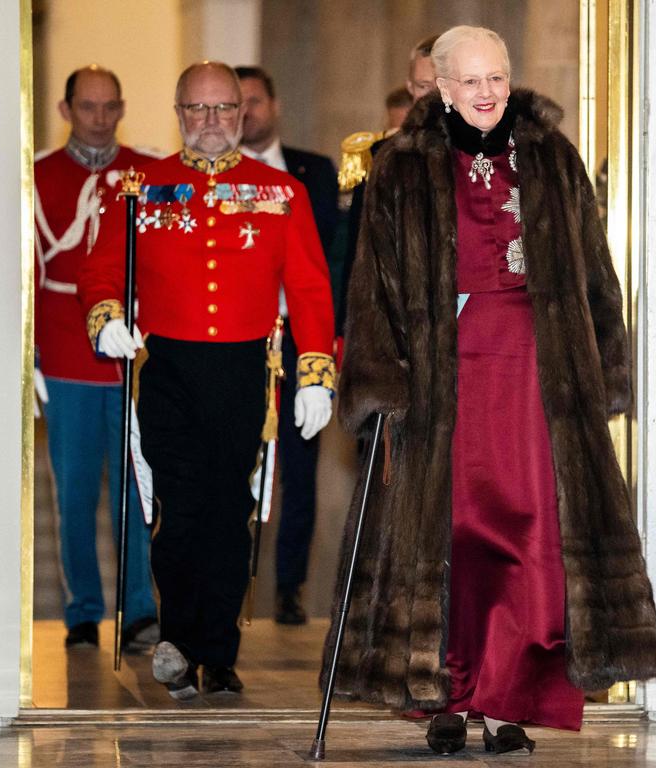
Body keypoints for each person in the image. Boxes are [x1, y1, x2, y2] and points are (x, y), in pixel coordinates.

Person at [324, 25, 656, 755]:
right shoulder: (402, 167)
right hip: (442, 379)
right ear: (441, 87)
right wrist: (381, 381)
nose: (486, 93)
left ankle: (507, 701)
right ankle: (448, 695)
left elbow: (595, 276)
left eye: (497, 78)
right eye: (471, 80)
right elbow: (372, 288)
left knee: (528, 539)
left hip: (537, 374)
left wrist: (606, 367)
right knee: (454, 537)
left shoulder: (554, 160)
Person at [78, 61, 335, 700]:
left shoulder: (281, 192)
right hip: (167, 368)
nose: (212, 121)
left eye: (224, 109)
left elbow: (308, 287)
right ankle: (177, 638)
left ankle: (218, 651)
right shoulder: (140, 187)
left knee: (229, 513)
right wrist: (106, 316)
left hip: (244, 369)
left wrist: (315, 374)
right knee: (178, 507)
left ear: (243, 114)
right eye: (198, 109)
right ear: (179, 112)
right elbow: (102, 271)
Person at [34, 65, 158, 652]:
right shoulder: (37, 176)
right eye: (88, 107)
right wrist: (28, 355)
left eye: (111, 106)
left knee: (137, 488)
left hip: (133, 352)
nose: (100, 119)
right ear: (66, 111)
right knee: (75, 491)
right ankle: (83, 607)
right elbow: (29, 274)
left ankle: (138, 610)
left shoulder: (150, 172)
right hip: (64, 353)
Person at [235, 64, 339, 627]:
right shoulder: (215, 181)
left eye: (254, 100)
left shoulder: (314, 172)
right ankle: (233, 582)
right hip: (240, 341)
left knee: (301, 469)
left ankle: (290, 588)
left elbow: (330, 260)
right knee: (233, 464)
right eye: (237, 102)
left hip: (299, 340)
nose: (246, 112)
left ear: (273, 105)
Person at [337, 34, 438, 346]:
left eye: (441, 84)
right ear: (410, 89)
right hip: (398, 327)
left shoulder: (487, 155)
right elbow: (359, 256)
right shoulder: (379, 155)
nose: (432, 96)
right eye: (423, 86)